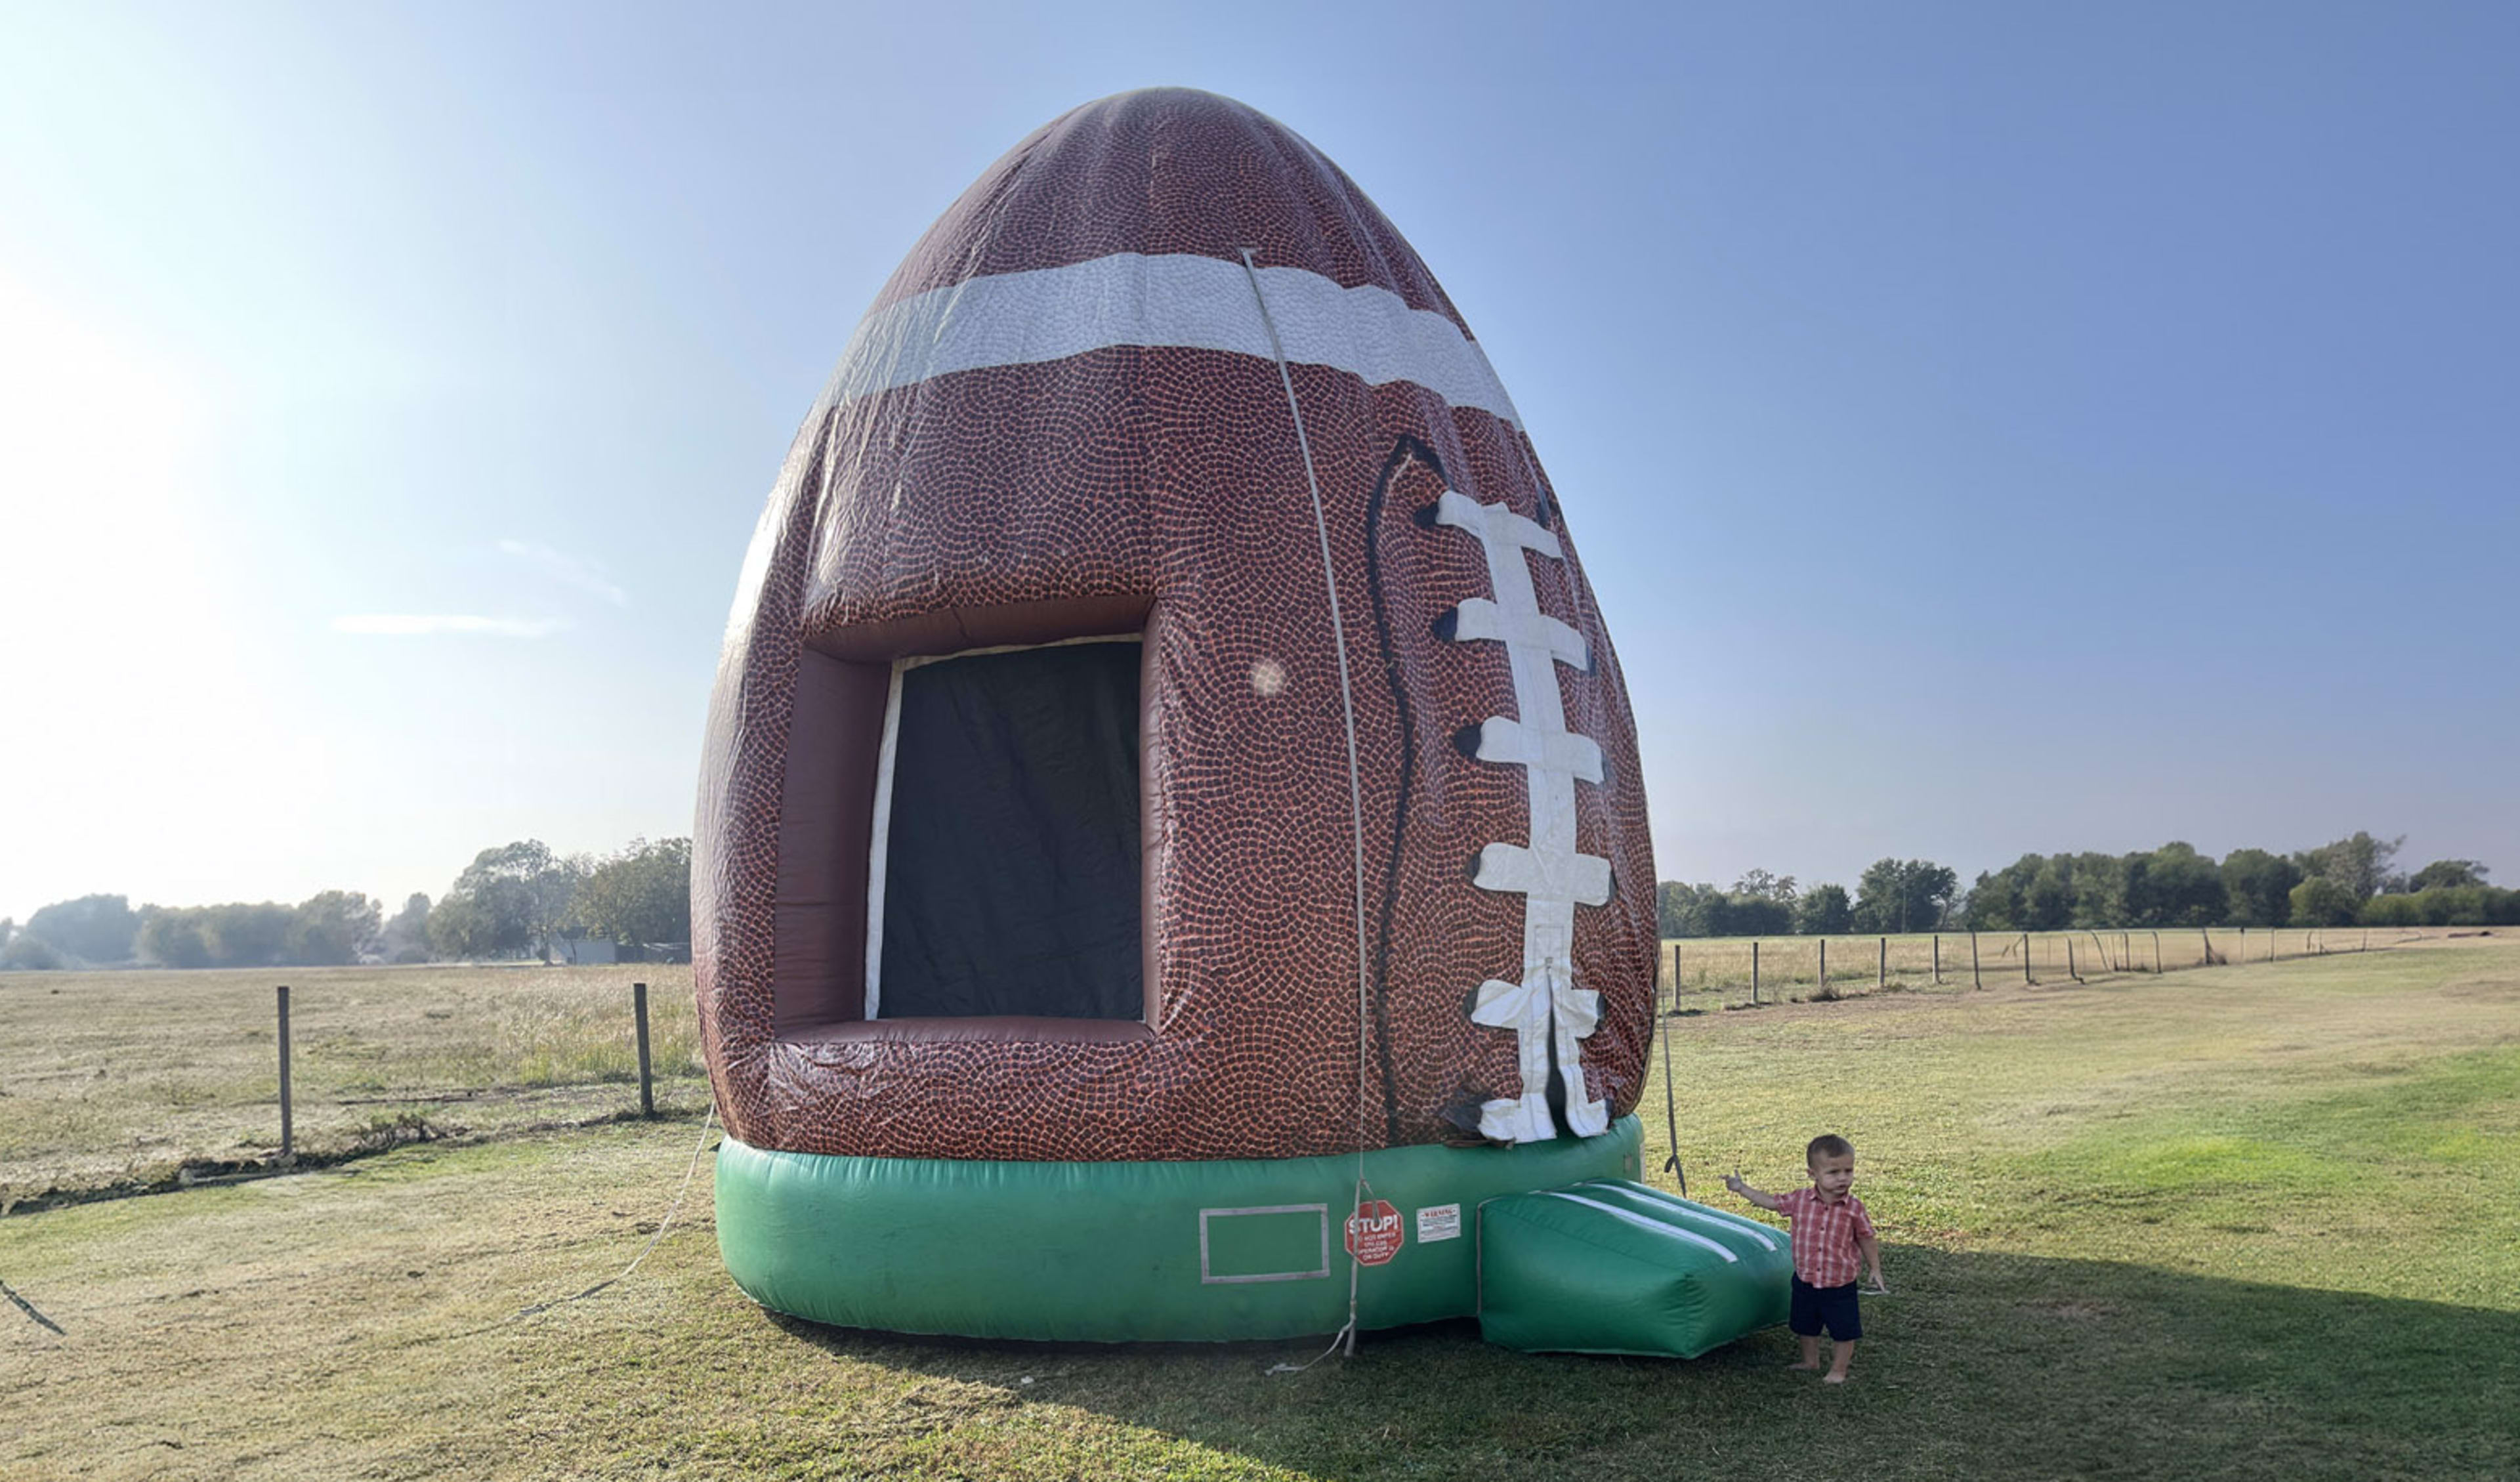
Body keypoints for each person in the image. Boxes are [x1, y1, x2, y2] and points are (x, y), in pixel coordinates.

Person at [1723, 1133, 1885, 1383]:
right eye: (1833, 1172)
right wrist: (1741, 1188)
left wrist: (1875, 1268)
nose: (1843, 1178)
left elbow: (1866, 1237)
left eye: (1848, 1171)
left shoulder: (1854, 1208)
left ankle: (1838, 1370)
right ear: (1813, 1174)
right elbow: (1770, 1202)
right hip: (1806, 1279)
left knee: (1844, 1330)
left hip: (1839, 1284)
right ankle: (1811, 1361)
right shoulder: (1799, 1201)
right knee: (1805, 1325)